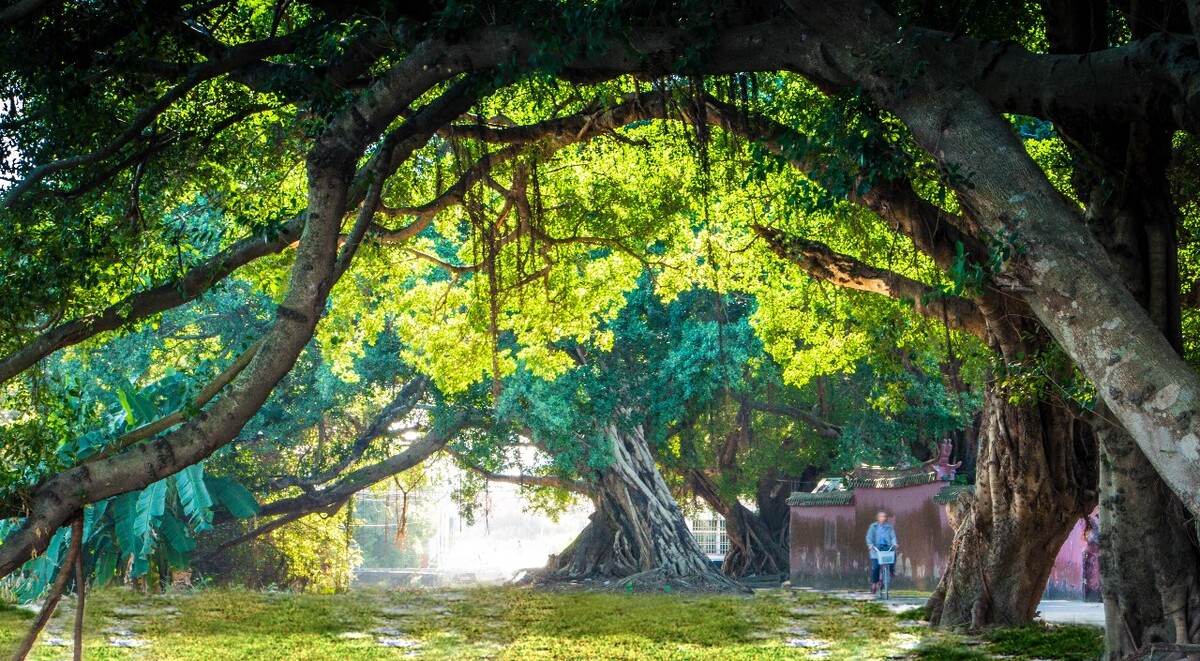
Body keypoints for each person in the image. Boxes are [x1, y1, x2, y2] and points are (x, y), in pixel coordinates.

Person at [865, 510, 898, 594]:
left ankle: (891, 571)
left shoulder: (889, 527)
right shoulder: (873, 527)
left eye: (884, 516)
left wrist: (895, 543)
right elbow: (869, 536)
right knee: (876, 567)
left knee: (892, 556)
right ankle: (874, 584)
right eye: (881, 516)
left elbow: (893, 536)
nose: (883, 518)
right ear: (877, 518)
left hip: (887, 546)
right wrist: (870, 544)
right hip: (876, 548)